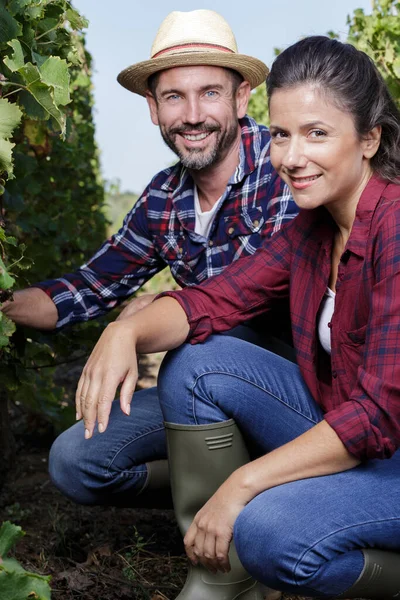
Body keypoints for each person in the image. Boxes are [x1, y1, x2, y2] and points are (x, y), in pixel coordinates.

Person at [75, 36, 400, 599]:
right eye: (280, 134)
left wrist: (240, 486)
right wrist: (123, 329)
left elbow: (375, 418)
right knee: (197, 360)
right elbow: (213, 302)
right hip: (350, 434)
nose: (291, 157)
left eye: (316, 133)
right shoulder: (313, 229)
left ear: (369, 138)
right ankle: (220, 580)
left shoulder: (394, 229)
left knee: (269, 533)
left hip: (388, 453)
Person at [1, 9, 296, 510]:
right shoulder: (163, 196)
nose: (192, 115)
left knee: (197, 353)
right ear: (153, 108)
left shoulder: (283, 166)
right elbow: (88, 287)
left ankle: (265, 503)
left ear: (242, 96)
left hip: (294, 387)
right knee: (75, 460)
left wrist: (142, 320)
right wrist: (5, 302)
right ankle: (216, 481)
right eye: (174, 97)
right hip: (198, 388)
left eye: (210, 93)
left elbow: (258, 291)